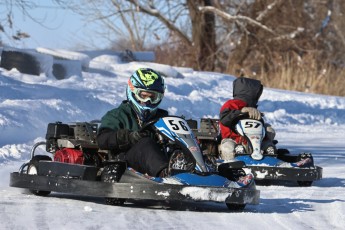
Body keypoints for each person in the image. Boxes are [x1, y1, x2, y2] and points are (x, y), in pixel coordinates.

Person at [97, 68, 169, 177]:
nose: (147, 101)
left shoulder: (163, 118)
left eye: (152, 97)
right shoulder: (118, 115)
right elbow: (102, 139)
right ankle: (167, 177)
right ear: (132, 92)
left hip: (157, 163)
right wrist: (129, 137)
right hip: (126, 164)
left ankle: (196, 176)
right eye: (143, 96)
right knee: (146, 143)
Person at [219, 76, 276, 161]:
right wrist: (241, 111)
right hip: (233, 139)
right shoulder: (231, 104)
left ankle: (269, 155)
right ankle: (230, 164)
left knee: (269, 131)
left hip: (255, 141)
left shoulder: (253, 109)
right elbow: (224, 118)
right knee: (228, 148)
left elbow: (260, 124)